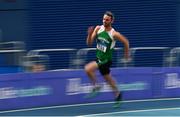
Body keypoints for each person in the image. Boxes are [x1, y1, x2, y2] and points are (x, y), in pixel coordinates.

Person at [84, 11, 130, 107]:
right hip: (99, 58)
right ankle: (118, 95)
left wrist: (126, 55)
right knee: (109, 80)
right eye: (104, 19)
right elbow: (89, 43)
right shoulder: (98, 28)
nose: (105, 21)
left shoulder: (114, 34)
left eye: (107, 20)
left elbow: (126, 42)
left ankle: (96, 86)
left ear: (112, 21)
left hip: (106, 60)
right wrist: (89, 34)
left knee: (88, 69)